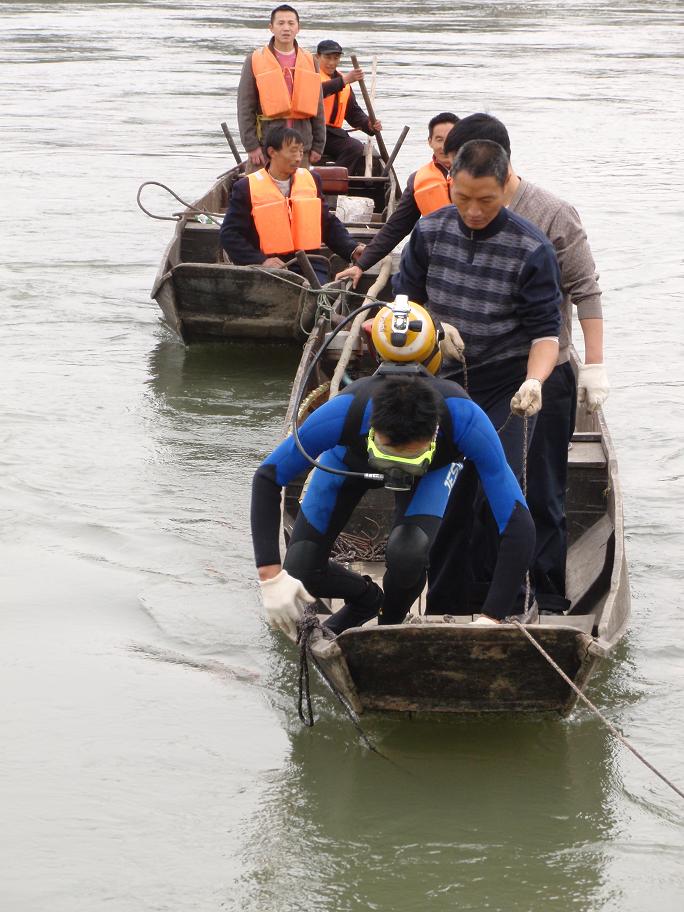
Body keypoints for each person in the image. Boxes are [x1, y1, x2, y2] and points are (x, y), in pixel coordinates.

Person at [252, 300, 536, 638]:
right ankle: (366, 600)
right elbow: (268, 476)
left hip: (433, 472)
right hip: (349, 465)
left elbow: (517, 521)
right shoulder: (346, 409)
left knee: (407, 553)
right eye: (388, 454)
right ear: (372, 429)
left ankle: (389, 626)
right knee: (299, 568)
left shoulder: (464, 417)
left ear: (434, 434)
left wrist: (492, 617)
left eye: (409, 457)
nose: (397, 466)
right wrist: (271, 576)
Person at [391, 139, 563, 615]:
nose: (472, 210)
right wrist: (433, 329)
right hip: (442, 382)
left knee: (499, 492)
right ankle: (444, 600)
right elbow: (403, 305)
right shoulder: (428, 231)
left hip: (505, 386)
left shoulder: (532, 247)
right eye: (462, 198)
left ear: (506, 188)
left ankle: (505, 604)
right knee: (441, 490)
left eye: (485, 200)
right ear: (450, 185)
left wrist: (535, 382)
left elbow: (546, 334)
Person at [444, 114, 608, 611]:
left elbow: (585, 291)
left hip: (542, 375)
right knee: (469, 488)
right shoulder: (457, 212)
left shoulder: (553, 214)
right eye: (455, 177)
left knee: (540, 488)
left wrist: (595, 368)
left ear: (499, 162)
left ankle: (551, 597)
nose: (468, 199)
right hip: (470, 372)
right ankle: (479, 593)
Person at [220, 126, 364, 285]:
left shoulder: (311, 180)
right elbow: (229, 234)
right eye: (293, 151)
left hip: (310, 263)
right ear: (272, 152)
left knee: (319, 294)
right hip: (268, 266)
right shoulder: (246, 187)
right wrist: (260, 261)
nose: (298, 158)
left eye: (301, 152)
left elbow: (326, 224)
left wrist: (352, 249)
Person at [335, 112, 459, 287]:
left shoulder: (478, 176)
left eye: (452, 139)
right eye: (439, 139)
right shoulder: (420, 180)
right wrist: (361, 265)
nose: (445, 146)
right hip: (438, 257)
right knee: (409, 258)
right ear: (429, 141)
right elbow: (395, 227)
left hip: (470, 257)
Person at [237, 5, 325, 173]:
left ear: (298, 27)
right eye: (281, 23)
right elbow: (245, 107)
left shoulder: (310, 61)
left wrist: (318, 145)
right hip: (266, 146)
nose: (286, 28)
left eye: (291, 23)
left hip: (300, 146)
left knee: (299, 194)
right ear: (271, 27)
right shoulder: (254, 60)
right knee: (259, 194)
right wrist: (251, 146)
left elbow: (318, 106)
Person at [315, 39, 382, 175]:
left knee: (354, 147)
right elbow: (316, 92)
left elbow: (353, 113)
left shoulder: (344, 82)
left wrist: (369, 124)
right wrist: (344, 80)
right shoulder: (311, 76)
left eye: (336, 58)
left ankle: (333, 181)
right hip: (311, 132)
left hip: (331, 135)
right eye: (327, 58)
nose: (332, 62)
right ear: (317, 57)